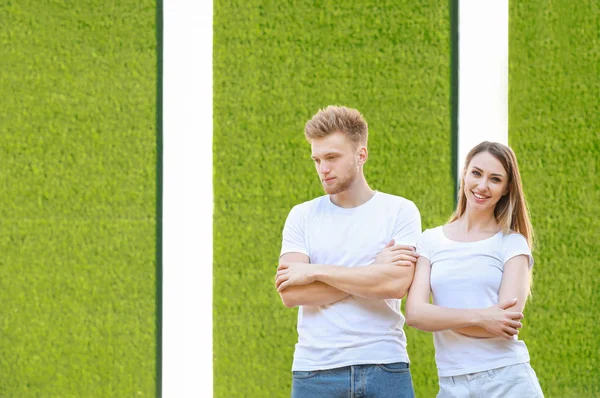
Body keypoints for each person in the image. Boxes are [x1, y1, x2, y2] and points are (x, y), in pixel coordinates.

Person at [274, 105, 422, 398]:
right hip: (315, 371)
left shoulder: (400, 211)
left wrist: (315, 271)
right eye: (317, 159)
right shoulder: (302, 216)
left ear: (361, 155)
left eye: (331, 157)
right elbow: (291, 293)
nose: (323, 168)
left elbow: (395, 284)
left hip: (385, 366)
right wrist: (372, 272)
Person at [405, 141, 544, 397]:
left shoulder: (512, 243)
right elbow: (414, 314)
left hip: (508, 380)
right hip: (452, 384)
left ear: (505, 189)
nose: (482, 186)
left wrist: (439, 317)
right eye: (476, 173)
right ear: (465, 174)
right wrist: (481, 317)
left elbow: (505, 323)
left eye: (495, 179)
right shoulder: (431, 240)